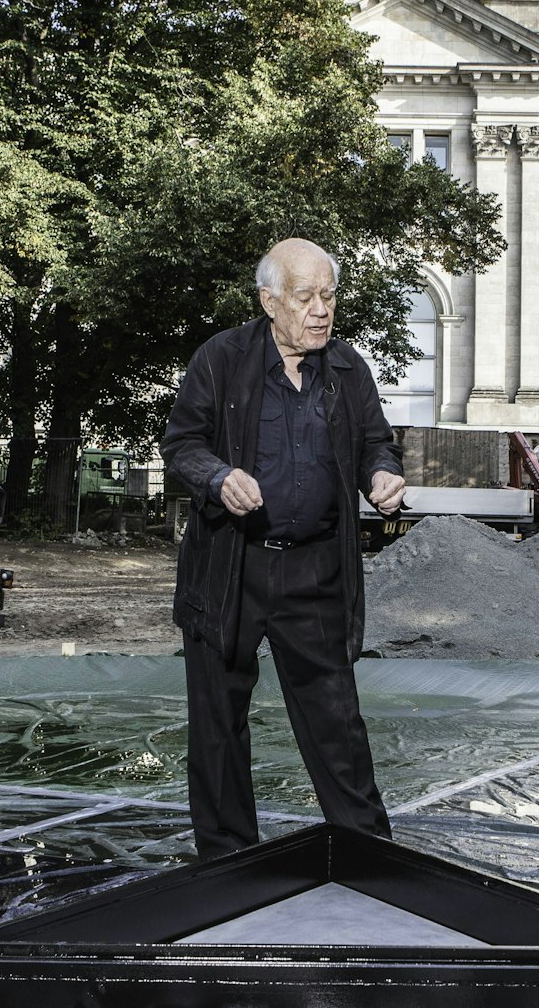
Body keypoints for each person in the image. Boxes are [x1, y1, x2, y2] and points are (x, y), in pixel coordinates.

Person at [161, 237, 406, 859]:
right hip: (230, 567)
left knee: (336, 722)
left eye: (329, 296)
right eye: (305, 297)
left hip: (316, 571)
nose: (321, 310)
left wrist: (381, 473)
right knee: (218, 725)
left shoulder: (348, 369)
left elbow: (376, 442)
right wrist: (218, 477)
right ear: (269, 301)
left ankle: (368, 854)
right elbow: (182, 445)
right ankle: (228, 861)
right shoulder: (220, 359)